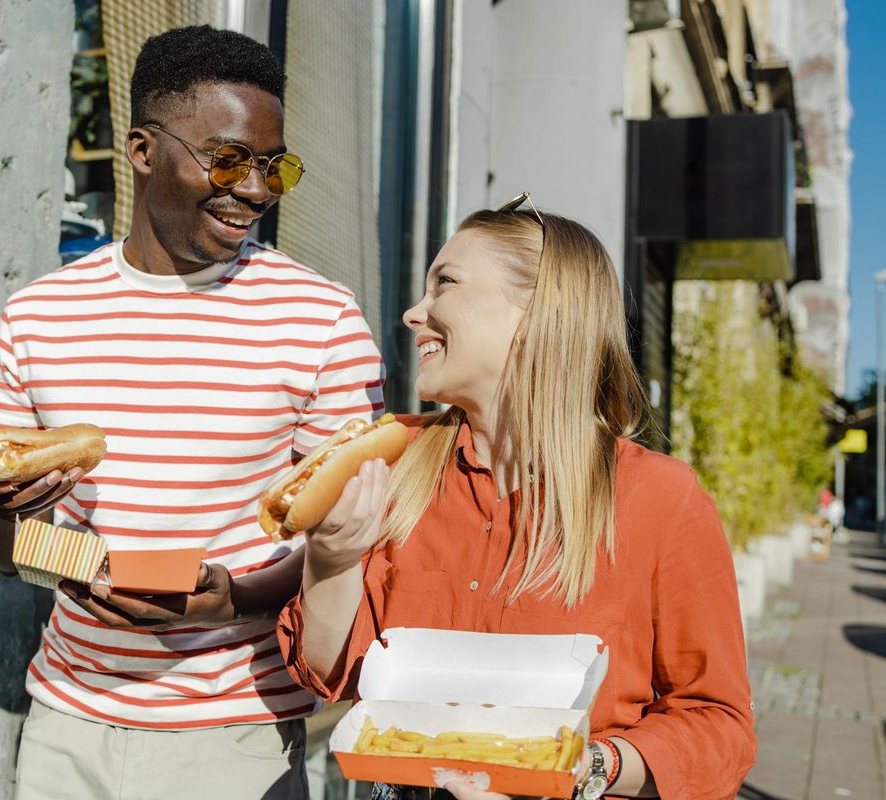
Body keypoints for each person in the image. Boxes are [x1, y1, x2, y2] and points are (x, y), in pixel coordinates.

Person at [0, 26, 384, 800]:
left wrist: (238, 595)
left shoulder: (322, 319)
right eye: (227, 159)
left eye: (273, 166)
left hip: (239, 735)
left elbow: (354, 542)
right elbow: (3, 551)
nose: (255, 190)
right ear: (142, 150)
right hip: (66, 726)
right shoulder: (38, 315)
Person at [277, 198, 757, 799]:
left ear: (537, 314)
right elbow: (331, 674)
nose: (411, 313)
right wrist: (332, 560)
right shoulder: (392, 463)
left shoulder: (660, 497)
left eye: (444, 284)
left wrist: (587, 766)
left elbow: (719, 724)